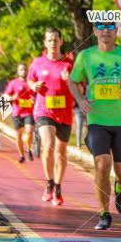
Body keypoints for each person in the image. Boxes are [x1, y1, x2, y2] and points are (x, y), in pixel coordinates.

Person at [70, 21, 121, 230]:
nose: (105, 30)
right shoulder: (86, 56)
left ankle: (120, 186)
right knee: (102, 164)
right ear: (95, 31)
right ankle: (104, 214)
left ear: (117, 31)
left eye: (110, 26)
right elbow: (72, 80)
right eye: (100, 26)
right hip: (97, 119)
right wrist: (80, 100)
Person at [28, 28, 77, 207]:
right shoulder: (38, 62)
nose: (52, 43)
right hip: (44, 110)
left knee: (60, 152)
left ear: (61, 41)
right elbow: (30, 80)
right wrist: (34, 86)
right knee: (48, 145)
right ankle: (49, 183)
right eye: (49, 40)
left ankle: (57, 186)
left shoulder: (69, 64)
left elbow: (79, 89)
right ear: (45, 43)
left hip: (64, 112)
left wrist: (70, 79)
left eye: (55, 40)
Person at [4, 63, 35, 162]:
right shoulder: (13, 83)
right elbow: (6, 96)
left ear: (27, 71)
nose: (23, 71)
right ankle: (22, 155)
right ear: (18, 72)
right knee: (18, 136)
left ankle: (28, 148)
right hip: (17, 113)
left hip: (29, 112)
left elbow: (37, 95)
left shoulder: (31, 83)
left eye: (25, 69)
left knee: (29, 131)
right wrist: (12, 98)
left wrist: (34, 99)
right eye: (21, 70)